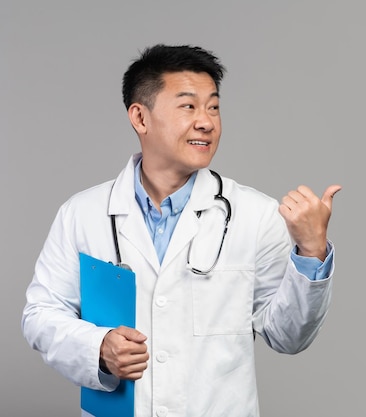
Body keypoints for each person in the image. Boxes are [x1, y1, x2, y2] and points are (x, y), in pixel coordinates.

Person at [21, 44, 341, 417]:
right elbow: (40, 315)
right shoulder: (82, 213)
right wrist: (98, 347)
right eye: (189, 106)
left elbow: (289, 337)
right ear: (140, 118)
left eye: (214, 107)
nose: (206, 121)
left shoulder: (256, 215)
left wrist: (311, 251)